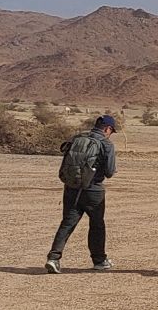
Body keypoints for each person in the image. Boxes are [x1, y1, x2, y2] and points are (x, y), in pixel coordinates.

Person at [46, 115, 118, 273]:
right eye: (111, 131)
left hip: (71, 187)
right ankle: (99, 260)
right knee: (97, 225)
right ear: (108, 129)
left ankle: (53, 258)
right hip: (94, 190)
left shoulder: (77, 137)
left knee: (67, 223)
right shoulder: (106, 144)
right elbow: (110, 171)